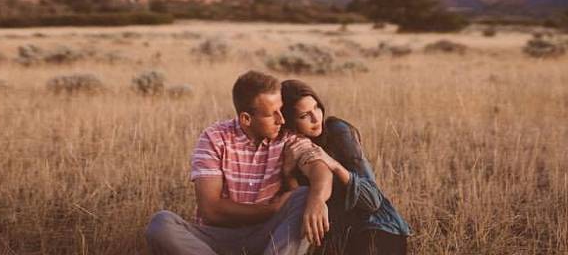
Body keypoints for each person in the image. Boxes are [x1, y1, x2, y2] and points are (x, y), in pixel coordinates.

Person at [146, 70, 334, 255]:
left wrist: (317, 199)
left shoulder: (287, 136)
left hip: (269, 236)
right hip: (216, 238)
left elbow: (318, 167)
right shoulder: (215, 138)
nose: (281, 119)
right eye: (272, 114)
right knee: (161, 224)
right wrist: (272, 209)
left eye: (281, 110)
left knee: (304, 195)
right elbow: (211, 210)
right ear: (246, 118)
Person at [281, 79, 411, 255]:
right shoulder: (291, 146)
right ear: (288, 121)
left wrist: (334, 165)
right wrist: (288, 172)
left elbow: (372, 200)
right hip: (337, 236)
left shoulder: (338, 131)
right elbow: (299, 207)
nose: (316, 118)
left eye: (316, 108)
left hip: (374, 226)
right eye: (304, 115)